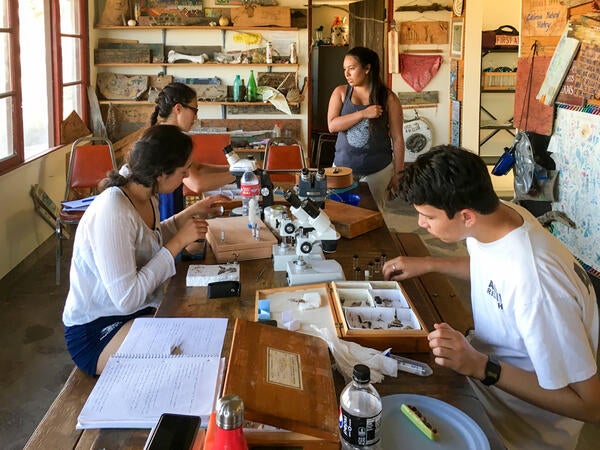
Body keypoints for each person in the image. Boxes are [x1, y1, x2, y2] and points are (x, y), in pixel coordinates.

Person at [383, 145, 600, 449]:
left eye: (427, 216)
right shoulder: (503, 216)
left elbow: (590, 405)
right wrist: (429, 264)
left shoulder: (537, 286)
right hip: (487, 388)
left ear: (466, 216)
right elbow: (494, 270)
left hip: (517, 432)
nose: (420, 223)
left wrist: (481, 366)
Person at [63, 125, 227, 377]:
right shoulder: (114, 210)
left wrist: (195, 211)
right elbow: (127, 298)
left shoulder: (145, 189)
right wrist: (177, 243)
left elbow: (152, 235)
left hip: (135, 311)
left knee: (205, 333)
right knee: (191, 359)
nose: (184, 179)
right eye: (182, 173)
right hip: (99, 329)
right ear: (161, 173)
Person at [327, 46, 405, 210]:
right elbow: (332, 125)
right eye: (345, 69)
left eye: (352, 68)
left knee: (373, 218)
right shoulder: (340, 92)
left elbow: (397, 138)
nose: (347, 74)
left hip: (378, 171)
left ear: (367, 68)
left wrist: (399, 174)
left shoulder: (389, 98)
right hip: (343, 169)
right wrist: (363, 114)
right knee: (340, 213)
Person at [149, 82, 234, 217]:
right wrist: (241, 175)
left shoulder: (167, 134)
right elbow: (197, 183)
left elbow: (197, 168)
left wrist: (235, 169)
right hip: (163, 211)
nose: (196, 117)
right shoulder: (168, 140)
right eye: (194, 111)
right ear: (178, 108)